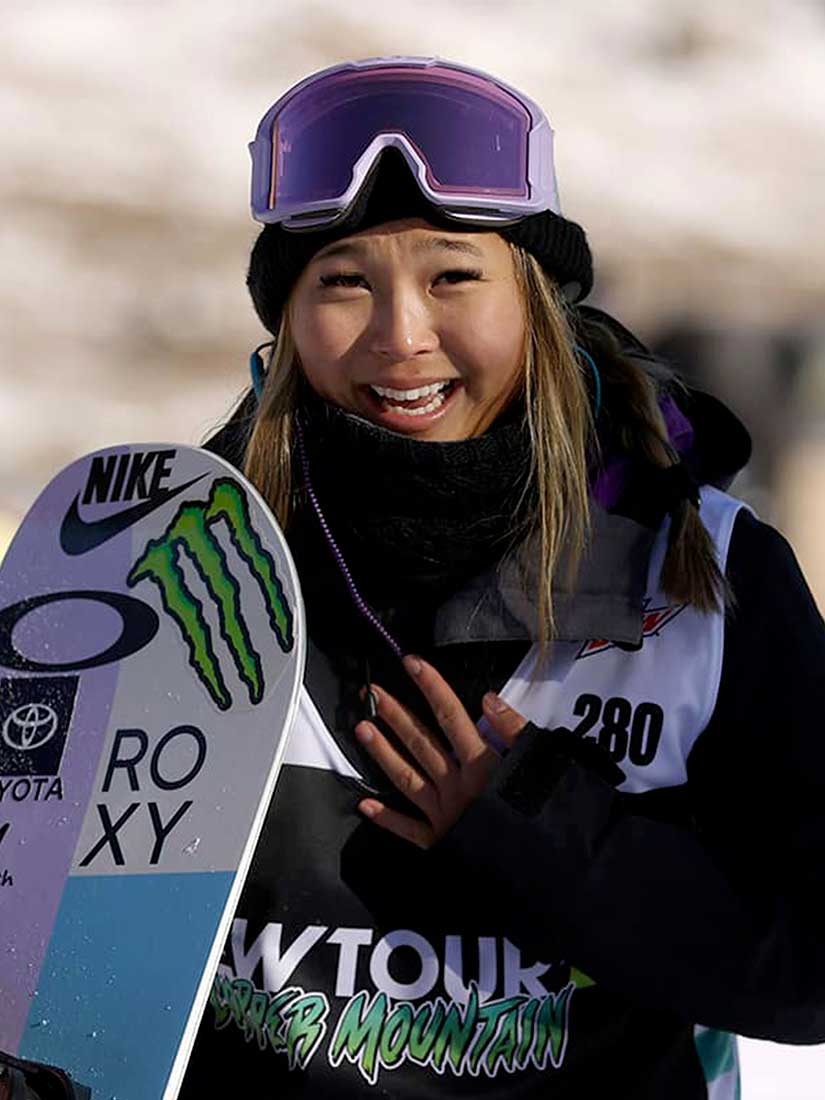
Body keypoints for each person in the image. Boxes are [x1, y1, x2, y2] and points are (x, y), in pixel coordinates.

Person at [178, 56, 825, 1098]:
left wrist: (538, 825)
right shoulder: (184, 581)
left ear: (535, 300)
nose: (401, 337)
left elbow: (807, 965)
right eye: (343, 281)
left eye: (453, 275)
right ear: (287, 321)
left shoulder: (704, 578)